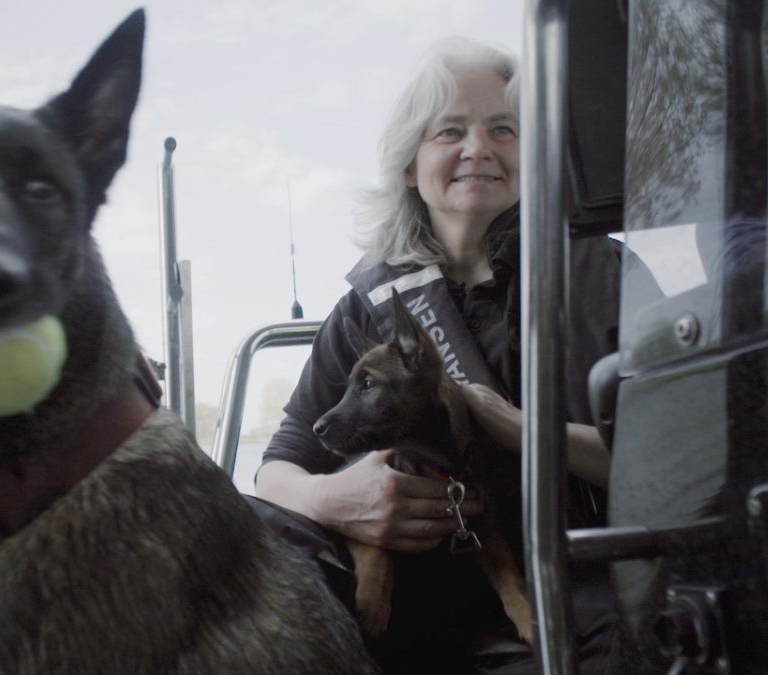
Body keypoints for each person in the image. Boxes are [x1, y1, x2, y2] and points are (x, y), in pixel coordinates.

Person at [254, 37, 623, 674]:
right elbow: (279, 468)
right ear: (409, 164)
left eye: (503, 129)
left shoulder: (602, 273)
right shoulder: (367, 309)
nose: (478, 148)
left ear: (533, 154)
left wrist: (515, 428)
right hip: (418, 601)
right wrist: (338, 501)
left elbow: (683, 466)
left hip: (580, 583)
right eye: (450, 130)